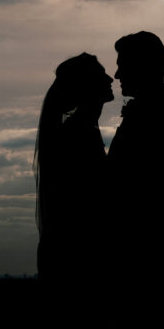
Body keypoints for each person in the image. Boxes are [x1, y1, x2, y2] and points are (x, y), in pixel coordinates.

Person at [108, 31, 164, 283]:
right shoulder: (156, 109)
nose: (117, 75)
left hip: (142, 251)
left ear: (143, 66)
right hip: (150, 249)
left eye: (123, 66)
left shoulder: (154, 114)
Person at [33, 52, 114, 282]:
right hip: (77, 258)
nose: (110, 79)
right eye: (101, 75)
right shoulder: (77, 134)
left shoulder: (82, 129)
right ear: (86, 85)